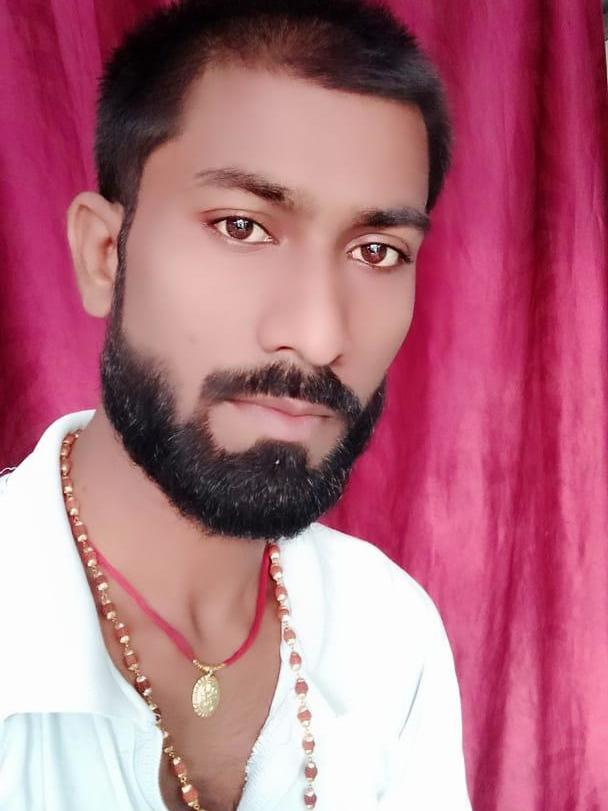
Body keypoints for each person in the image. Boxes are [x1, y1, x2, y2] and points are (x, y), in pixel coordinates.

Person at [0, 0, 472, 809]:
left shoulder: (390, 634)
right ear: (106, 254)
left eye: (377, 250)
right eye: (242, 227)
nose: (319, 336)